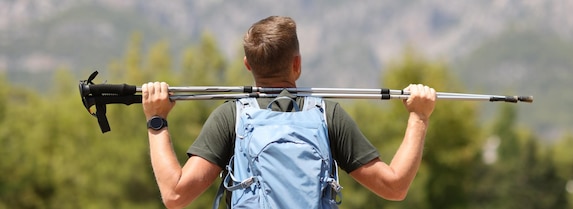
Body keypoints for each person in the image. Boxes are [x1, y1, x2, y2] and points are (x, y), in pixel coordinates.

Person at [141, 16, 436, 209]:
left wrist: (157, 121)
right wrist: (419, 116)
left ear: (248, 65)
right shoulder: (327, 115)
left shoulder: (230, 116)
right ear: (297, 64)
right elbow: (395, 187)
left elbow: (176, 195)